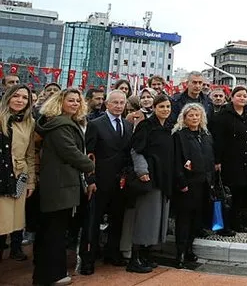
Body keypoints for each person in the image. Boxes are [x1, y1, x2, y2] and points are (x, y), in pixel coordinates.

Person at [33, 88, 95, 286]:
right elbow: (69, 151)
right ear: (60, 102)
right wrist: (89, 164)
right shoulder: (61, 125)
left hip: (61, 184)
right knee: (54, 233)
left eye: (78, 101)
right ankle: (51, 275)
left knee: (53, 231)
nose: (75, 103)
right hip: (59, 185)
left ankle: (50, 274)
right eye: (71, 100)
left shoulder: (63, 123)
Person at [78, 90, 134, 275]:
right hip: (100, 181)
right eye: (115, 102)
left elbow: (127, 153)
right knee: (92, 222)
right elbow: (89, 154)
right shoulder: (95, 124)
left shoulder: (128, 125)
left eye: (122, 102)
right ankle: (88, 259)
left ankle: (112, 253)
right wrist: (90, 179)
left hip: (120, 183)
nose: (119, 105)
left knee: (117, 220)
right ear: (107, 104)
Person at [128, 94, 174, 272]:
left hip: (164, 179)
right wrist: (142, 171)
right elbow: (136, 150)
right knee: (145, 218)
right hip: (149, 178)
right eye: (161, 106)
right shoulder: (146, 126)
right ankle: (135, 258)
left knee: (157, 219)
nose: (165, 110)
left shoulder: (170, 128)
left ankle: (147, 255)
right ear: (154, 108)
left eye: (168, 107)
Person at [173, 103, 215, 269]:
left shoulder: (205, 134)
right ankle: (180, 253)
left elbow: (210, 157)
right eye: (191, 115)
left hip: (203, 183)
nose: (194, 118)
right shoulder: (179, 135)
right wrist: (181, 182)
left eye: (197, 115)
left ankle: (190, 248)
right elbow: (176, 161)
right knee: (184, 219)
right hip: (187, 184)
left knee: (196, 220)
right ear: (184, 118)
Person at [211, 86, 247, 234]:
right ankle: (222, 226)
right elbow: (218, 140)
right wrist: (217, 161)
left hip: (246, 160)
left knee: (240, 195)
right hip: (229, 160)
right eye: (239, 96)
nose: (242, 98)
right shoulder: (224, 115)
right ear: (232, 97)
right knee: (226, 195)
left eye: (245, 96)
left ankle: (237, 223)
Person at [0, 85, 36, 262]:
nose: (20, 100)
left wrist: (30, 182)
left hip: (19, 176)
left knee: (14, 222)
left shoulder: (30, 122)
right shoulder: (0, 118)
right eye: (16, 96)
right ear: (8, 97)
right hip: (2, 175)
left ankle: (14, 250)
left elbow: (30, 154)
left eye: (24, 97)